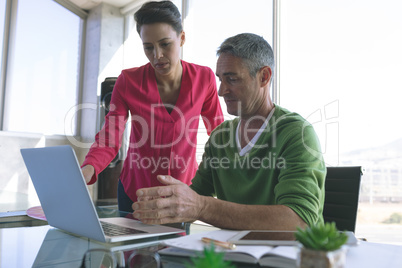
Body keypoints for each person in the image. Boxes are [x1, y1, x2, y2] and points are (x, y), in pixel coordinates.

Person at [131, 33, 326, 230]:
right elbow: (195, 198)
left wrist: (201, 207)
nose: (221, 90)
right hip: (233, 254)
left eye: (232, 79)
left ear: (264, 77)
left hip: (292, 258)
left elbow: (298, 222)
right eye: (220, 80)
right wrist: (161, 209)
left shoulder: (296, 134)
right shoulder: (220, 137)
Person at [81, 1, 223, 212]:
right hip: (135, 192)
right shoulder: (128, 81)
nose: (157, 56)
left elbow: (218, 134)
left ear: (181, 38)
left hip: (181, 193)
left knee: (176, 246)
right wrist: (88, 169)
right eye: (148, 47)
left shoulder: (204, 78)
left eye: (165, 44)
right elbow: (110, 135)